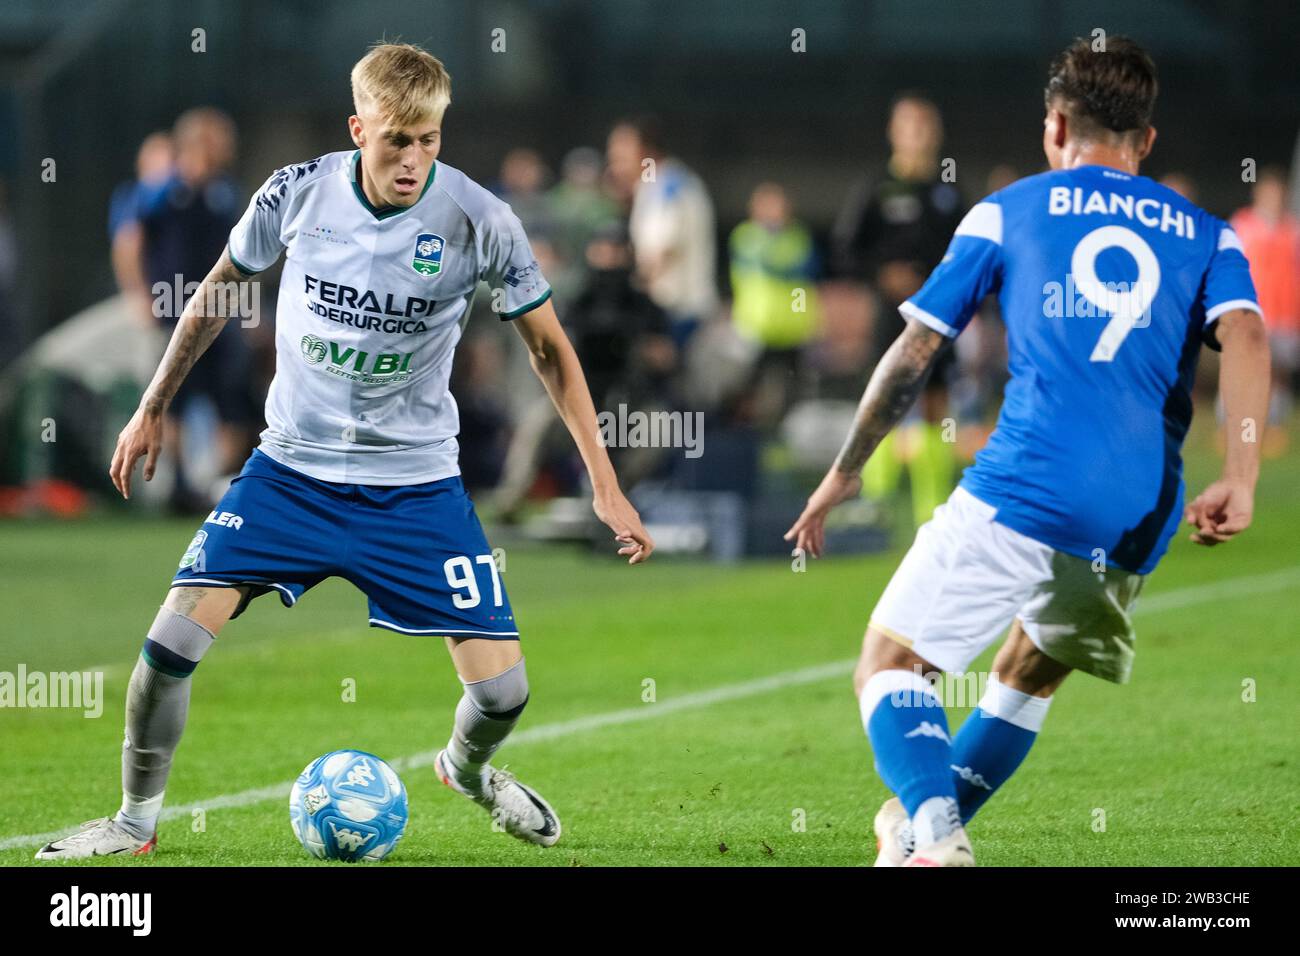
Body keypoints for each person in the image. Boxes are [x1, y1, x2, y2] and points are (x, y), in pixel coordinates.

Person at [35, 42, 653, 860]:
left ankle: (465, 771)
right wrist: (152, 406)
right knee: (167, 648)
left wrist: (603, 486)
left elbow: (549, 351)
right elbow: (219, 289)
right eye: (396, 138)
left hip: (416, 485)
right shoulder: (295, 193)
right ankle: (134, 821)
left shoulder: (480, 220)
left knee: (504, 694)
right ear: (358, 128)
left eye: (429, 139)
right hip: (290, 472)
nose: (413, 159)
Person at [786, 36, 1269, 866]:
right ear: (1146, 142)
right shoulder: (1207, 234)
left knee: (890, 664)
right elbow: (1249, 336)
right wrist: (1242, 473)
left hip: (1032, 481)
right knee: (1025, 673)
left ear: (1055, 126)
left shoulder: (1009, 210)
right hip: (1140, 505)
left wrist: (845, 467)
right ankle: (911, 834)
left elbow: (914, 353)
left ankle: (938, 835)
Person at [112, 110, 256, 511]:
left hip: (221, 313)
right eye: (220, 138)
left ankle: (217, 486)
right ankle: (175, 487)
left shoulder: (224, 191)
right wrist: (137, 294)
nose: (228, 147)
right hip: (173, 307)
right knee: (171, 394)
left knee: (231, 397)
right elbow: (128, 240)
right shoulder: (162, 190)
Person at [832, 94, 965, 528]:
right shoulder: (875, 187)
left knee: (935, 404)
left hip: (938, 315)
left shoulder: (948, 189)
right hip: (891, 314)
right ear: (894, 132)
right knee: (883, 398)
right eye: (909, 124)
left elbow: (970, 252)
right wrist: (882, 275)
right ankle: (875, 499)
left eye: (925, 124)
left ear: (937, 132)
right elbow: (846, 250)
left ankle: (933, 508)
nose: (918, 133)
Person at [606, 116, 718, 347]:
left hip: (677, 312)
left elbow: (659, 254)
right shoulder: (659, 182)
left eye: (622, 155)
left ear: (647, 152)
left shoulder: (665, 188)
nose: (615, 164)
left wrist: (627, 296)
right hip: (678, 310)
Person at [728, 182, 820, 426]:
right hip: (755, 328)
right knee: (748, 390)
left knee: (794, 391)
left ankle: (786, 442)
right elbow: (769, 262)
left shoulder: (798, 237)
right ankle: (745, 439)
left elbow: (803, 266)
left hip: (792, 329)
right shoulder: (746, 236)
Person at [1230, 167, 1300, 426]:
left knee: (1278, 372)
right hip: (1253, 309)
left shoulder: (1291, 229)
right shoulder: (1243, 224)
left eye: (1277, 194)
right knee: (1247, 368)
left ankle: (1274, 424)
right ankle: (1233, 422)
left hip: (1285, 313)